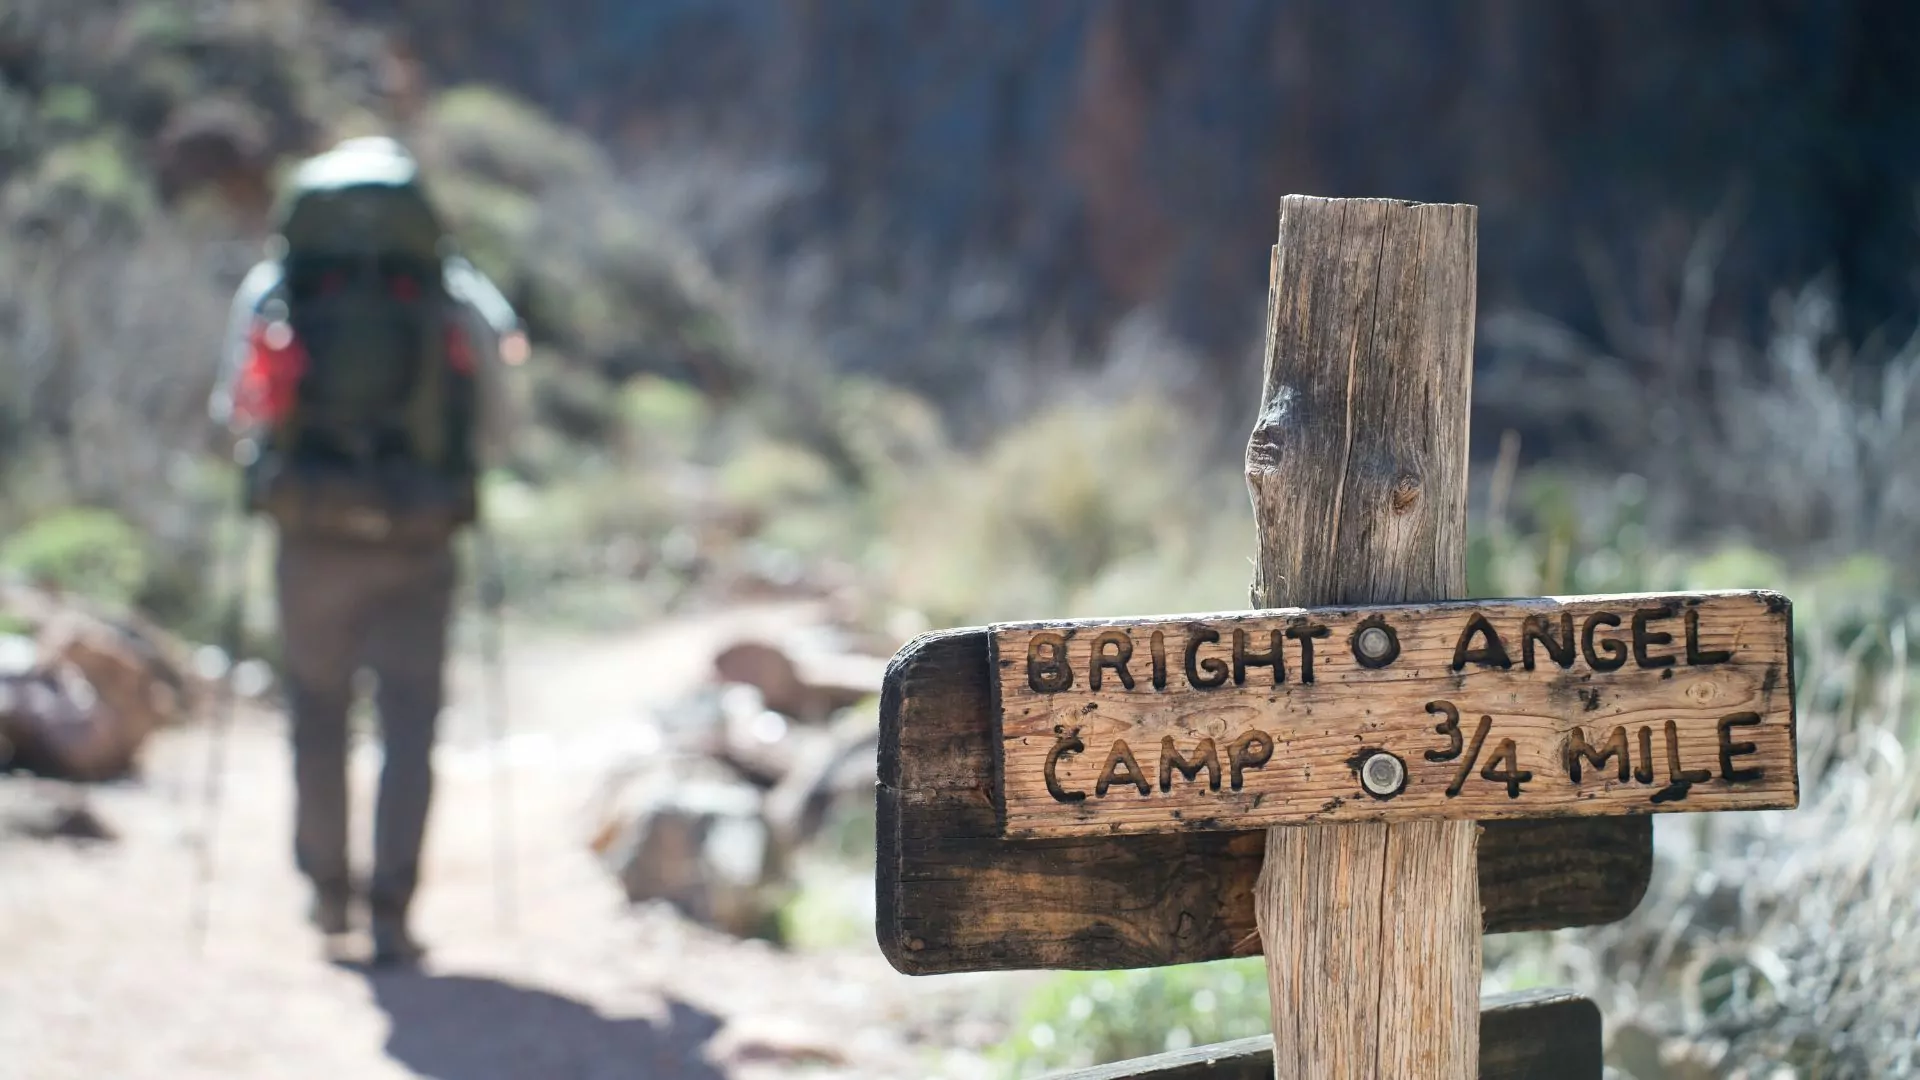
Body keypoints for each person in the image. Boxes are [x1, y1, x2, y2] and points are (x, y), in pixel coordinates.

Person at [209, 136, 525, 964]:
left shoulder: (279, 285)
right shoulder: (451, 287)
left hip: (309, 535)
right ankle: (389, 913)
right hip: (419, 538)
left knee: (316, 713)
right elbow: (500, 421)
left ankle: (326, 896)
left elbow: (235, 412)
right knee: (408, 724)